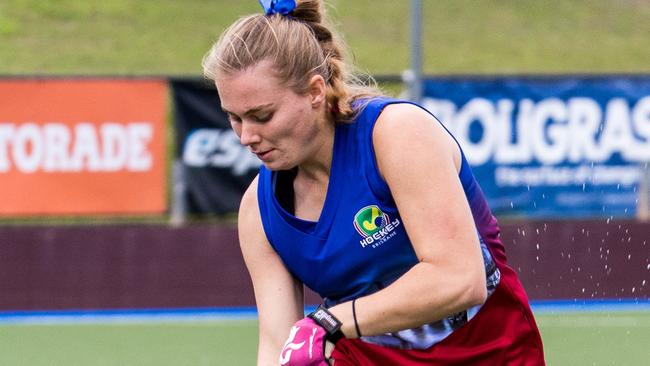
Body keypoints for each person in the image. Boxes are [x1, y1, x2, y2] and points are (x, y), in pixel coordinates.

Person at [203, 0, 545, 364]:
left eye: (262, 116)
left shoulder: (396, 135)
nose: (246, 137)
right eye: (235, 118)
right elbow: (277, 347)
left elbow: (460, 278)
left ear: (315, 91)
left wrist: (329, 323)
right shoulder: (258, 210)